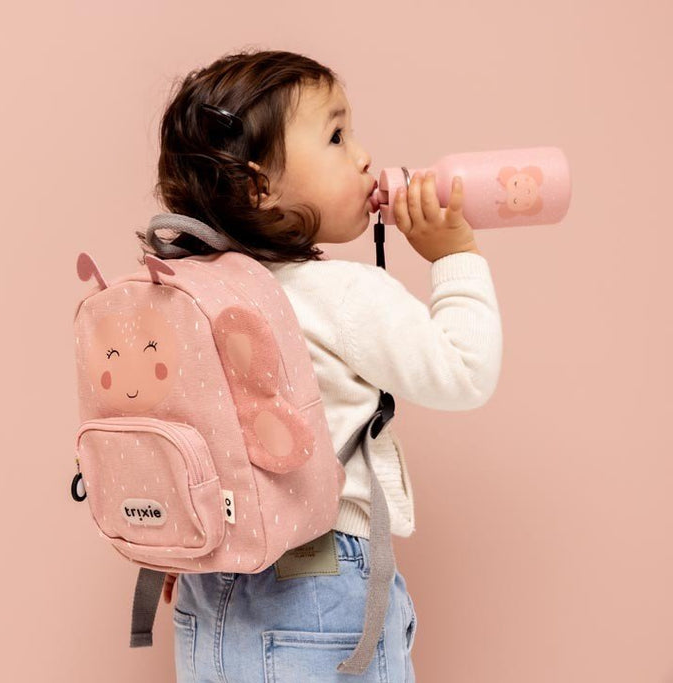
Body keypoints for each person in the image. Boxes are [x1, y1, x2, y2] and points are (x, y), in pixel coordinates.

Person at [137, 49, 502, 682]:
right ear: (259, 187)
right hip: (319, 581)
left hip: (207, 582)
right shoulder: (343, 294)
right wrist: (456, 257)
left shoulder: (186, 293)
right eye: (336, 135)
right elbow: (465, 373)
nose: (363, 155)